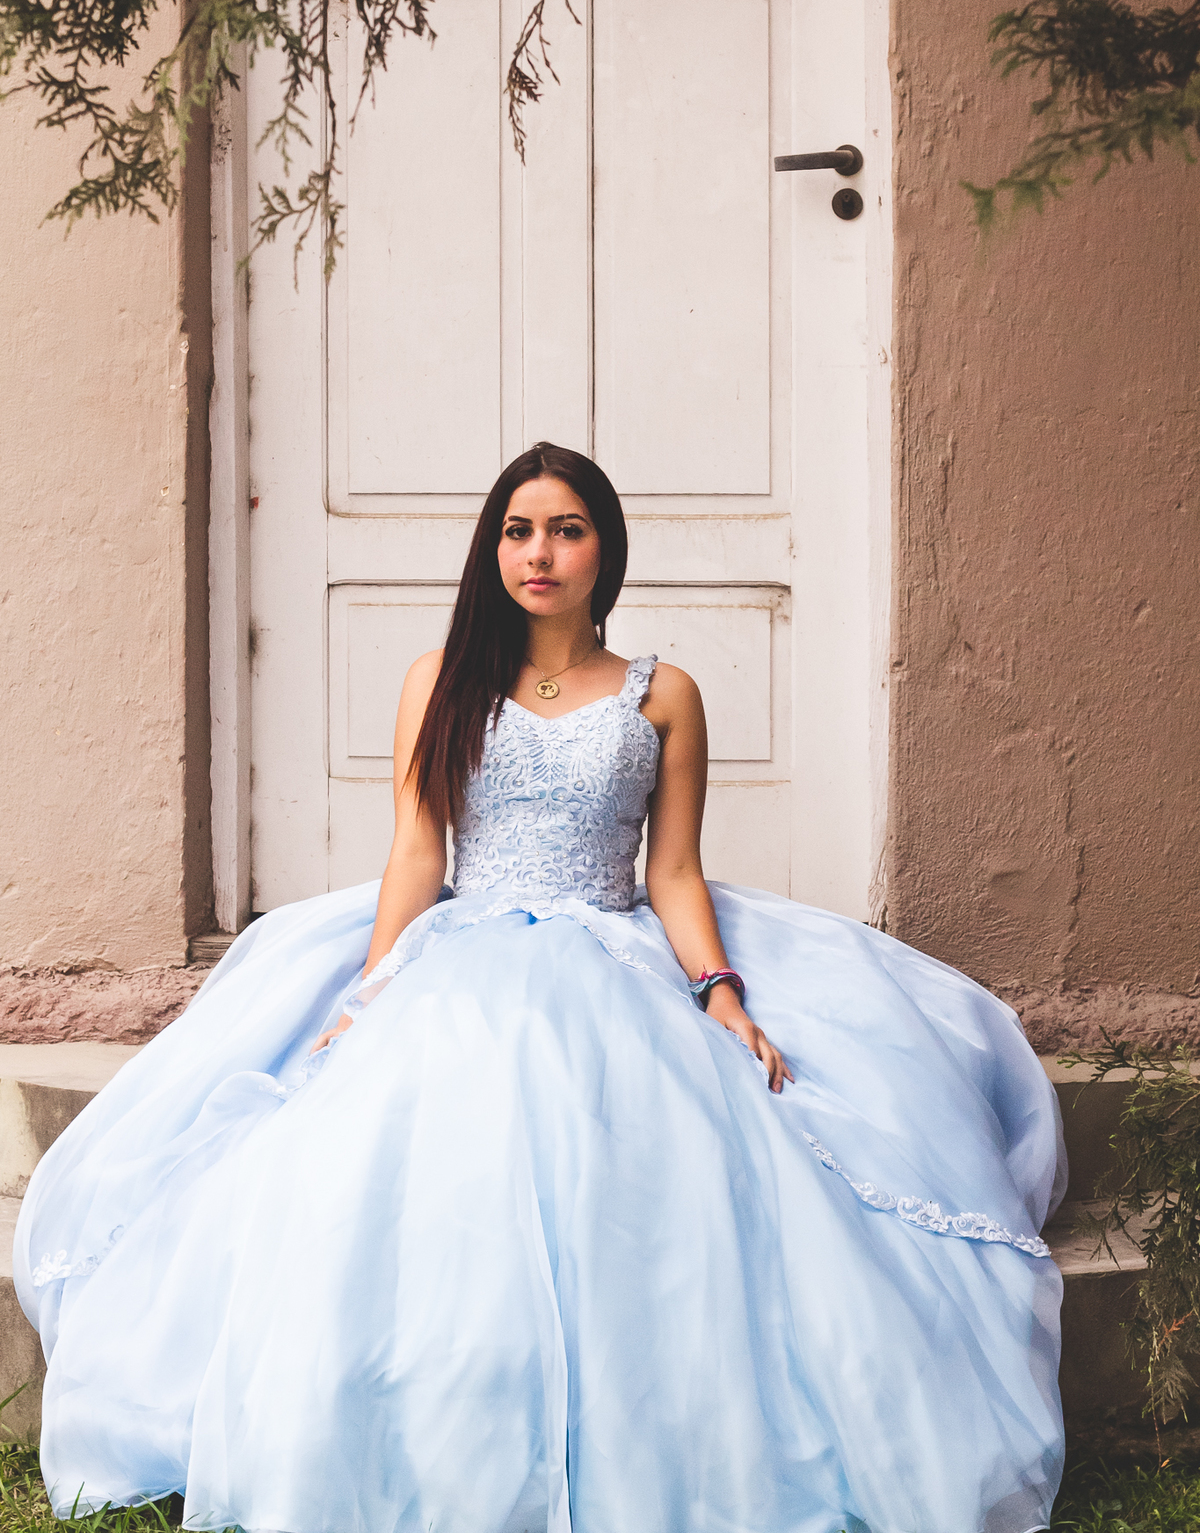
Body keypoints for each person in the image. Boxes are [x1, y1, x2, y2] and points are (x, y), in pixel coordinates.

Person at [17, 442, 1066, 1533]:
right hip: (459, 953)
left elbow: (670, 871)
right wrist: (370, 991)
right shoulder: (441, 679)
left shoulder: (666, 697)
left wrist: (718, 990)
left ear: (604, 550)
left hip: (611, 953)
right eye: (519, 530)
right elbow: (420, 851)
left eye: (566, 529)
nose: (539, 552)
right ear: (493, 548)